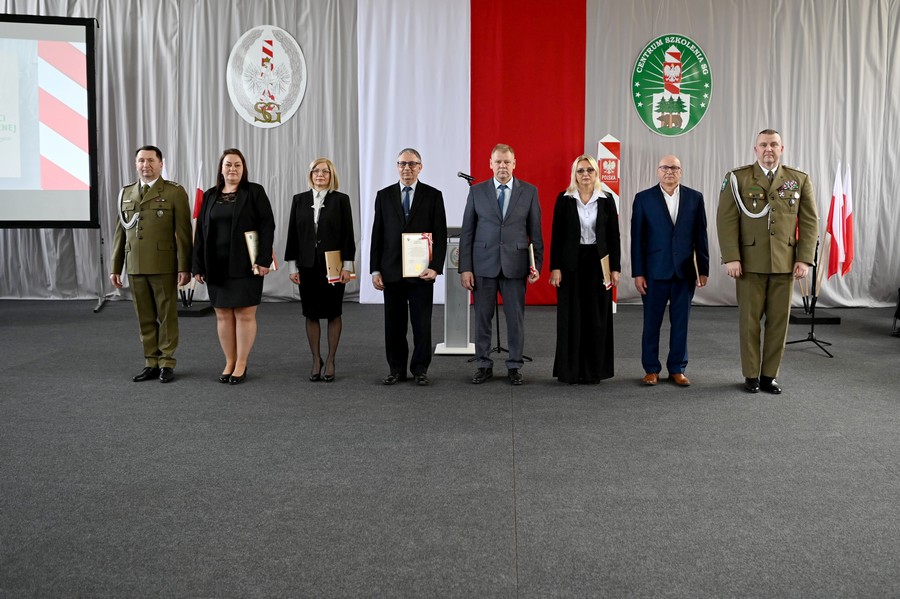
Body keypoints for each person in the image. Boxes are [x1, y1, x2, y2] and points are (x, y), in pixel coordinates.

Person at [717, 129, 818, 394]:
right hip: (749, 263)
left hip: (785, 263)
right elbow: (726, 220)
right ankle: (751, 375)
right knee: (749, 323)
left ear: (781, 148)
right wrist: (731, 257)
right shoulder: (738, 178)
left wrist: (804, 259)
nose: (768, 149)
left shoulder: (798, 179)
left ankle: (768, 376)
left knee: (778, 323)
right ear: (756, 149)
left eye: (774, 144)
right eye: (763, 145)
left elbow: (809, 222)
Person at [459, 143, 543, 385]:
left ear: (514, 164)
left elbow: (535, 232)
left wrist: (536, 264)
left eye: (507, 161)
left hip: (516, 266)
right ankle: (483, 365)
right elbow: (467, 233)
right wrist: (466, 268)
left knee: (515, 319)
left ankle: (515, 366)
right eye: (498, 161)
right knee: (482, 319)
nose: (502, 166)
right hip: (482, 265)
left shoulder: (529, 191)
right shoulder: (477, 192)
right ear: (490, 164)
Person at [192, 148, 275, 385]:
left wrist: (264, 260)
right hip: (215, 265)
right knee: (222, 315)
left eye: (237, 165)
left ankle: (241, 363)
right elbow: (201, 232)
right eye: (228, 164)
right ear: (221, 168)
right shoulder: (210, 195)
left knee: (244, 314)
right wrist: (197, 265)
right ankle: (229, 361)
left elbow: (267, 226)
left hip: (247, 264)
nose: (232, 169)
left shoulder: (254, 192)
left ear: (243, 168)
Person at [110, 145, 192, 383]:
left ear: (160, 164)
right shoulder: (126, 193)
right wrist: (116, 267)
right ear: (136, 164)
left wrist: (184, 267)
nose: (145, 165)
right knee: (144, 317)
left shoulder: (174, 192)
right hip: (135, 264)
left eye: (150, 161)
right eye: (141, 161)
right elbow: (120, 234)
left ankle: (166, 362)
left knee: (166, 316)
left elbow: (184, 233)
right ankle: (151, 362)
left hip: (163, 264)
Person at [370, 148, 448, 386]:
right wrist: (375, 270)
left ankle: (420, 369)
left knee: (422, 325)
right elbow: (377, 235)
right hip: (391, 271)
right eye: (402, 164)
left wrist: (435, 267)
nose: (407, 168)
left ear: (420, 167)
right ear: (397, 167)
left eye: (412, 164)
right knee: (394, 325)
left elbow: (440, 235)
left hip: (421, 273)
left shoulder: (433, 195)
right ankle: (396, 369)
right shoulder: (384, 195)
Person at [631, 154, 709, 387]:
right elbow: (637, 239)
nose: (669, 172)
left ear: (680, 172)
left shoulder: (695, 198)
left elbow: (701, 236)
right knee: (651, 323)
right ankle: (651, 369)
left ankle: (677, 368)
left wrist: (703, 269)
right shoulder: (643, 198)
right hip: (654, 272)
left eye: (674, 168)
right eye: (665, 167)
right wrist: (638, 272)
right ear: (658, 171)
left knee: (681, 323)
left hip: (685, 272)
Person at [549, 154, 620, 384]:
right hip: (571, 263)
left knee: (596, 318)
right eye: (580, 170)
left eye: (589, 170)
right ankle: (570, 371)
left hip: (600, 264)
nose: (585, 174)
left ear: (596, 173)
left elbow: (614, 236)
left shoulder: (607, 199)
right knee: (571, 317)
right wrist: (555, 267)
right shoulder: (564, 199)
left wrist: (615, 268)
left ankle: (593, 371)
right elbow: (557, 236)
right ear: (574, 174)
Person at [284, 158, 356, 383]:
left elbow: (348, 235)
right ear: (310, 174)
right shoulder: (299, 200)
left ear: (331, 175)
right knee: (311, 313)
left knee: (334, 312)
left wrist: (348, 266)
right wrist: (292, 266)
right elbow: (293, 235)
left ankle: (331, 359)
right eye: (316, 171)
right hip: (307, 265)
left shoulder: (341, 200)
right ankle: (316, 359)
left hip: (333, 265)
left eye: (325, 171)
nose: (320, 175)